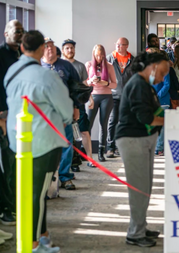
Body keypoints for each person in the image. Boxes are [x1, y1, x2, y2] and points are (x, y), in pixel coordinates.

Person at [6, 30, 73, 253]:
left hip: (17, 139)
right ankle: (34, 243)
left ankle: (42, 235)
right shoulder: (46, 76)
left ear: (22, 48)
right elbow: (65, 109)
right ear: (42, 50)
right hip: (43, 142)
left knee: (29, 190)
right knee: (38, 193)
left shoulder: (12, 70)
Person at [115, 52, 169, 247]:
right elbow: (146, 117)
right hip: (133, 139)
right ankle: (135, 234)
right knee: (139, 189)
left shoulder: (145, 84)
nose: (162, 77)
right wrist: (171, 120)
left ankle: (140, 227)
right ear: (152, 66)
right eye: (162, 72)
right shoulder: (138, 85)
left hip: (143, 139)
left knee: (144, 188)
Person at [41, 37, 81, 190]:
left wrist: (76, 107)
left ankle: (65, 177)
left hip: (64, 112)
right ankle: (47, 179)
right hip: (44, 115)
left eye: (52, 46)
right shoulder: (38, 66)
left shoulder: (66, 66)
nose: (50, 48)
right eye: (46, 46)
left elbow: (76, 88)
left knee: (66, 145)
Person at [0, 19, 23, 225]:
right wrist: (2, 116)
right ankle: (6, 208)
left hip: (21, 118)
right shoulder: (0, 55)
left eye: (22, 31)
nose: (20, 33)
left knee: (17, 163)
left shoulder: (22, 55)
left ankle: (14, 204)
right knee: (6, 163)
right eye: (16, 31)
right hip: (4, 118)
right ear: (6, 32)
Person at [61, 39, 95, 168]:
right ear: (63, 50)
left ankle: (90, 158)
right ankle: (71, 162)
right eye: (67, 48)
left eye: (72, 48)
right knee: (68, 133)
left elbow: (84, 85)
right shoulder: (59, 65)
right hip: (64, 104)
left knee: (84, 131)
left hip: (78, 104)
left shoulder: (80, 66)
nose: (70, 50)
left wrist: (90, 99)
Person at [85, 45, 117, 162]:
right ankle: (87, 152)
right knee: (88, 124)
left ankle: (100, 152)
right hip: (92, 96)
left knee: (103, 125)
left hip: (106, 97)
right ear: (93, 54)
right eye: (97, 55)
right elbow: (84, 83)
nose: (99, 57)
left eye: (101, 55)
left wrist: (105, 83)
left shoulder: (109, 66)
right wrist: (91, 81)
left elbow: (114, 84)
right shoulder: (88, 65)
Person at [106, 37, 135, 158]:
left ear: (126, 46)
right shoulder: (109, 58)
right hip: (113, 94)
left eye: (121, 45)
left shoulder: (132, 60)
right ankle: (110, 147)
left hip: (127, 96)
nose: (118, 46)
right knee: (113, 121)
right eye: (117, 44)